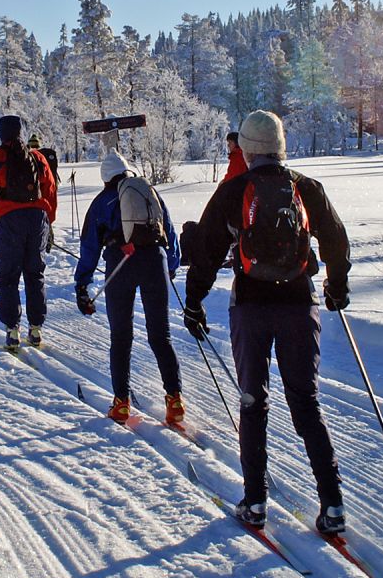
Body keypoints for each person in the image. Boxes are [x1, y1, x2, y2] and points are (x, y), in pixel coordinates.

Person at [184, 110, 351, 534]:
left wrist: (193, 301)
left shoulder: (234, 190)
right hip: (299, 304)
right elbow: (334, 236)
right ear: (281, 145)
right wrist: (336, 285)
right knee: (306, 402)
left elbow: (205, 249)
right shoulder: (306, 188)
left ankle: (255, 502)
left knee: (252, 402)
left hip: (251, 308)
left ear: (247, 149)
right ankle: (332, 505)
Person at [74, 151, 185, 428]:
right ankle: (175, 402)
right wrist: (169, 265)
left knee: (121, 336)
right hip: (155, 261)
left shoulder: (101, 201)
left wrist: (82, 284)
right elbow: (169, 231)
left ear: (105, 179)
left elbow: (89, 247)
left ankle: (121, 404)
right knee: (161, 335)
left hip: (120, 262)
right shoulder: (149, 192)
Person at [0, 116, 58, 350]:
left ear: (1, 133)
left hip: (10, 219)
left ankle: (12, 330)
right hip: (37, 218)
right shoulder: (37, 157)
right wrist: (48, 222)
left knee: (9, 275)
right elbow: (50, 190)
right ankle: (36, 328)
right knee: (35, 273)